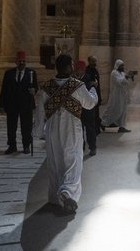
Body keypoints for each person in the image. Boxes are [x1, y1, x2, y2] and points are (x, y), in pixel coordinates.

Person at [35, 53, 98, 213]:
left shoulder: (46, 87)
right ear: (69, 67)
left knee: (55, 163)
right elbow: (90, 103)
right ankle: (67, 192)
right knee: (73, 162)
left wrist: (38, 132)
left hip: (52, 130)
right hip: (71, 130)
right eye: (72, 64)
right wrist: (93, 91)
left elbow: (39, 112)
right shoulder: (77, 85)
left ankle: (56, 198)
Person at [0, 50, 39, 154]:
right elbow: (4, 90)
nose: (22, 63)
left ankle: (26, 145)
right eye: (20, 61)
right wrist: (1, 105)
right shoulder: (9, 73)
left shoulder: (31, 73)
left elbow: (35, 87)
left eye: (23, 61)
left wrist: (33, 90)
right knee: (11, 126)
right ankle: (12, 145)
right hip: (12, 104)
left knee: (26, 126)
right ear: (16, 61)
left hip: (26, 104)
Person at [101, 59, 134, 133]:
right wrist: (126, 77)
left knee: (123, 111)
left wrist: (129, 77)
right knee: (112, 110)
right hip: (116, 96)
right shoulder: (114, 73)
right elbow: (119, 82)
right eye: (121, 65)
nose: (123, 67)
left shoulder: (122, 73)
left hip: (122, 96)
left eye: (123, 65)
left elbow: (126, 83)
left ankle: (122, 127)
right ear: (117, 65)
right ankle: (103, 123)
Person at [74, 60, 98, 156]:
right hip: (77, 108)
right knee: (79, 129)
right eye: (77, 69)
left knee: (90, 128)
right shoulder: (73, 80)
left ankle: (92, 147)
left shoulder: (89, 79)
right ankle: (81, 147)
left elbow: (93, 93)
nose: (79, 71)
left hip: (88, 109)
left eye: (81, 69)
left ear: (84, 70)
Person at [85, 55, 102, 135]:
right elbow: (85, 82)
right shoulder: (87, 70)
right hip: (90, 96)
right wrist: (91, 84)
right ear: (89, 61)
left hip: (96, 94)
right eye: (93, 61)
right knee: (91, 115)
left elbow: (98, 84)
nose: (95, 63)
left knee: (96, 114)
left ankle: (97, 130)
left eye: (95, 61)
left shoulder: (95, 70)